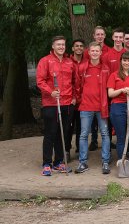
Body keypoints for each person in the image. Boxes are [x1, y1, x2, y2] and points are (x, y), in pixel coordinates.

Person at [36, 36, 76, 176]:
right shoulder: (45, 61)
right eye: (58, 44)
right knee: (50, 133)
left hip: (67, 104)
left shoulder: (69, 62)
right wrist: (51, 92)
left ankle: (59, 162)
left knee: (62, 133)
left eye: (63, 44)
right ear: (53, 46)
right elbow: (40, 81)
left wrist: (74, 97)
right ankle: (47, 163)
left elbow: (74, 82)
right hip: (51, 103)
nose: (61, 47)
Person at [75, 42, 111, 174]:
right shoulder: (83, 67)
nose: (95, 53)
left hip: (102, 107)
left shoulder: (106, 69)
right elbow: (78, 87)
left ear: (101, 52)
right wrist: (80, 100)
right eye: (92, 51)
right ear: (88, 52)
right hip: (86, 107)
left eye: (97, 51)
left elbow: (109, 88)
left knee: (105, 134)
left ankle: (105, 161)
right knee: (84, 134)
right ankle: (83, 162)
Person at [69, 38, 87, 157]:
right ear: (73, 48)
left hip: (83, 101)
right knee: (68, 127)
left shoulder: (87, 62)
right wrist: (73, 96)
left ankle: (80, 150)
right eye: (77, 46)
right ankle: (66, 150)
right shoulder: (67, 62)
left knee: (81, 127)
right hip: (71, 100)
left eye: (81, 46)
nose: (79, 48)